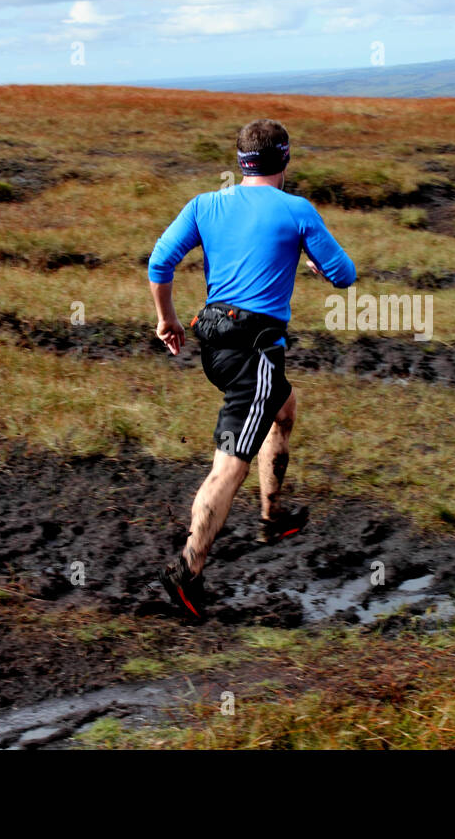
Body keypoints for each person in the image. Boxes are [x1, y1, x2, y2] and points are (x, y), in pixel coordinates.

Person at [147, 118, 356, 618]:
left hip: (214, 342)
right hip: (255, 350)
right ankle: (187, 571)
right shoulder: (297, 210)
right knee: (230, 463)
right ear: (284, 160)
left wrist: (168, 320)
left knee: (284, 408)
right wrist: (314, 263)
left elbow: (160, 264)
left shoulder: (204, 204)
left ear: (239, 161)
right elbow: (344, 275)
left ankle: (272, 514)